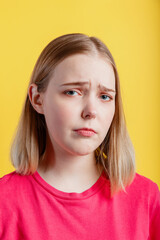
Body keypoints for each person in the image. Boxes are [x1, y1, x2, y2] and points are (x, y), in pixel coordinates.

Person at [0, 33, 159, 239]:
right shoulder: (4, 203)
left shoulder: (146, 199)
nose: (91, 111)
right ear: (37, 99)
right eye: (73, 92)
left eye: (105, 96)